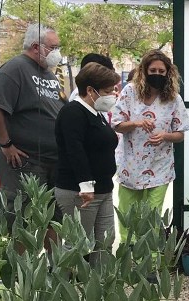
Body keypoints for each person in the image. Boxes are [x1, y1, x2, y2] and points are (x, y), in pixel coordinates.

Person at [0, 23, 65, 233]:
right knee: (22, 221)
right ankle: (20, 266)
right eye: (53, 47)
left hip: (53, 161)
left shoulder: (49, 74)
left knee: (54, 218)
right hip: (25, 161)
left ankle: (54, 265)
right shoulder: (15, 69)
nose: (57, 52)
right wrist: (6, 144)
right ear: (35, 47)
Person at [111, 49, 189, 237]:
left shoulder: (173, 99)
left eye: (161, 72)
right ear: (144, 71)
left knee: (153, 218)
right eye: (153, 71)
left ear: (168, 73)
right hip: (130, 166)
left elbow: (180, 134)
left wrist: (165, 135)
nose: (157, 75)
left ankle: (151, 260)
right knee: (127, 216)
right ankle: (127, 256)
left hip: (160, 167)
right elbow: (116, 124)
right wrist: (136, 122)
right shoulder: (130, 92)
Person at [54, 63, 120, 266]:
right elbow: (75, 150)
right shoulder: (73, 112)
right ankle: (62, 288)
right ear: (90, 91)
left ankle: (100, 287)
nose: (113, 95)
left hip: (103, 189)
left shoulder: (96, 113)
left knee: (105, 241)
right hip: (80, 191)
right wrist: (86, 185)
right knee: (77, 244)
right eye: (108, 92)